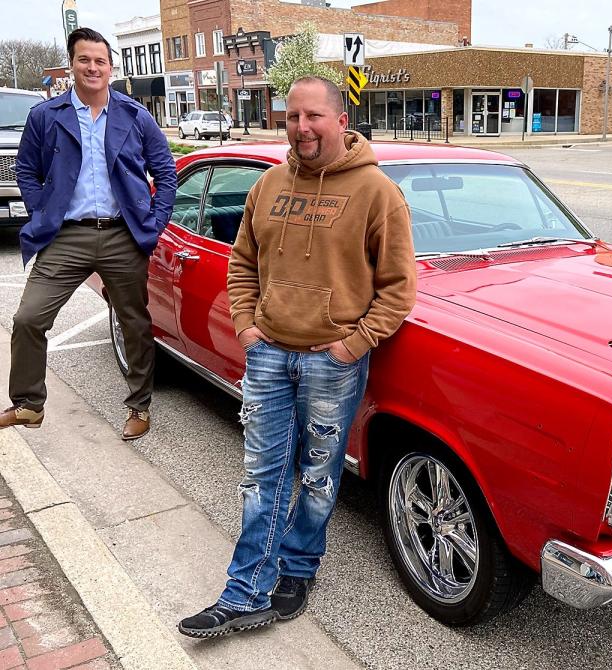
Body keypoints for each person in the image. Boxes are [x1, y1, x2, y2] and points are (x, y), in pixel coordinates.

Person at [178, 76, 416, 638]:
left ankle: (299, 568)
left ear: (339, 119)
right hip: (268, 355)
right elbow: (242, 264)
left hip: (330, 363)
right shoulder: (268, 186)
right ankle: (244, 591)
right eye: (291, 117)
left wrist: (350, 346)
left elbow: (399, 288)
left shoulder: (377, 192)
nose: (301, 128)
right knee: (263, 477)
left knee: (316, 476)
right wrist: (247, 327)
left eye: (312, 117)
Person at [1, 28, 176, 440]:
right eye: (84, 60)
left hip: (122, 236)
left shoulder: (135, 116)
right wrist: (42, 207)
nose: (92, 67)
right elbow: (26, 169)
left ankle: (139, 406)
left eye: (100, 61)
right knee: (28, 318)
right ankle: (28, 404)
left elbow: (166, 173)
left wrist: (154, 223)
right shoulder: (46, 116)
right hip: (66, 236)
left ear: (110, 68)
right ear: (72, 65)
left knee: (134, 324)